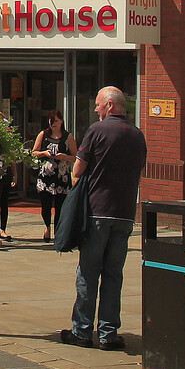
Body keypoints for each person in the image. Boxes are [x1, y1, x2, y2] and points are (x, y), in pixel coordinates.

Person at [60, 86, 146, 351]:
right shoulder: (137, 135)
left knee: (88, 271)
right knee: (113, 274)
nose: (96, 109)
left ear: (110, 105)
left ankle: (82, 331)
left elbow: (78, 167)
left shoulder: (97, 130)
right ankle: (109, 334)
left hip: (98, 211)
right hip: (125, 214)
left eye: (98, 104)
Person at [32, 111, 74, 241]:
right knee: (46, 205)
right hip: (46, 177)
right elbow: (34, 153)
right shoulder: (43, 135)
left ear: (61, 121)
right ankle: (47, 227)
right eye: (50, 121)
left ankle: (58, 232)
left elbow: (75, 157)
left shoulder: (68, 137)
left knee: (60, 207)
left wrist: (63, 156)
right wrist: (45, 153)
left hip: (61, 177)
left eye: (55, 121)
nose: (53, 124)